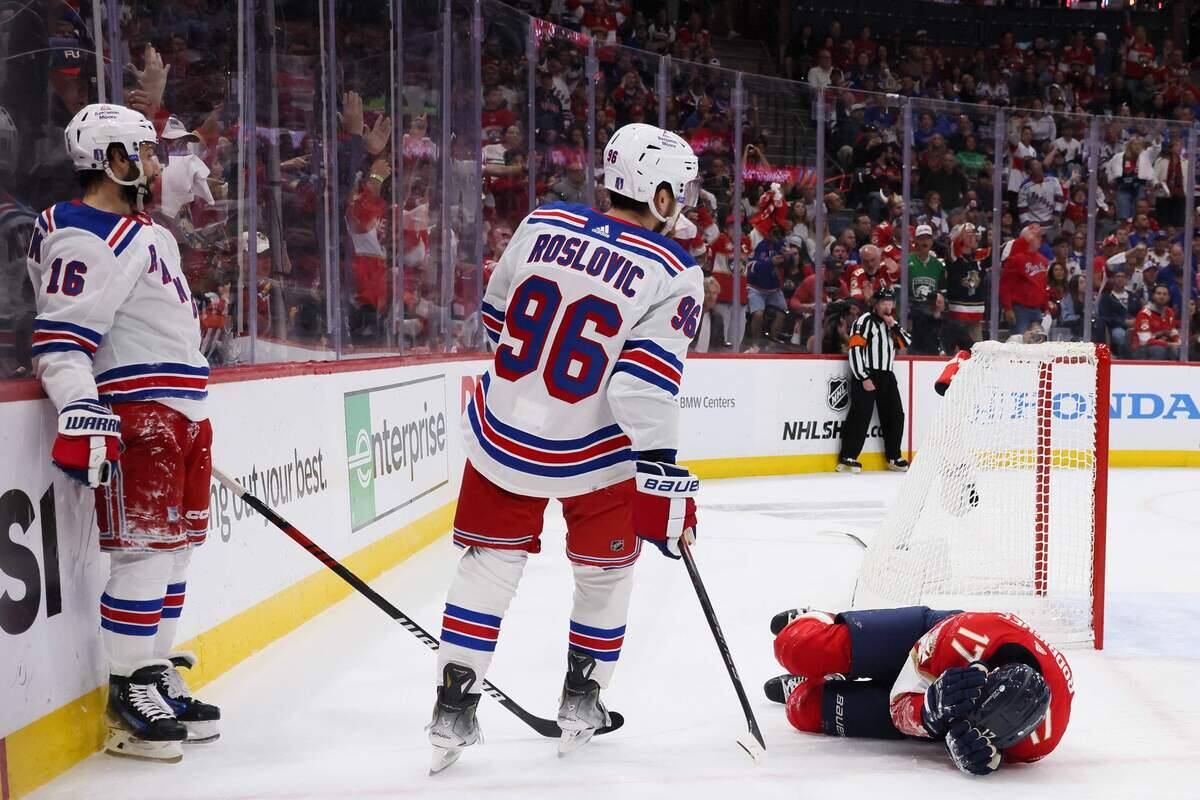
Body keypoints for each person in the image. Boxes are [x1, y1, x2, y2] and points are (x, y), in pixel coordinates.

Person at [429, 122, 703, 771]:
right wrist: (661, 472)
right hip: (596, 453)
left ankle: (453, 705)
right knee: (605, 573)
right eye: (681, 190)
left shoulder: (542, 222)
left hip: (503, 431)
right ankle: (584, 700)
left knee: (487, 568)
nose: (685, 203)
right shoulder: (673, 272)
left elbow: (495, 316)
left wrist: (533, 396)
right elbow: (640, 390)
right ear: (658, 191)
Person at [27, 104, 219, 762]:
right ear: (112, 160)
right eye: (143, 149)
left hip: (183, 411)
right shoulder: (81, 234)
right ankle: (127, 691)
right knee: (144, 555)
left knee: (178, 552)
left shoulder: (149, 233)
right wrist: (80, 408)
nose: (156, 159)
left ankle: (154, 674)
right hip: (139, 413)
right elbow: (59, 341)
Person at [762, 606, 1073, 776]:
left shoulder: (1039, 742)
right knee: (798, 648)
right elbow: (901, 696)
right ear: (987, 673)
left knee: (803, 710)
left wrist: (974, 753)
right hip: (927, 640)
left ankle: (813, 683)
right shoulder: (966, 636)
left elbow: (990, 750)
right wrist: (928, 705)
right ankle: (819, 620)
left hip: (938, 708)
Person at [838, 288, 910, 474]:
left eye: (890, 302)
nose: (887, 306)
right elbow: (854, 350)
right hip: (868, 373)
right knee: (860, 415)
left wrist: (893, 325)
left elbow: (905, 343)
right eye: (883, 302)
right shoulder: (863, 322)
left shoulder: (891, 325)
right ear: (875, 305)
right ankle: (848, 457)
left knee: (895, 415)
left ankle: (894, 457)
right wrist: (863, 376)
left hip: (887, 375)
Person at [1000, 224, 1049, 336]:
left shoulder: (1043, 260)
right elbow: (1006, 285)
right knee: (1019, 342)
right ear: (1027, 238)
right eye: (1036, 236)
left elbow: (1043, 285)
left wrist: (1046, 308)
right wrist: (1008, 308)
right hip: (1020, 309)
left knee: (1038, 343)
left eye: (1040, 237)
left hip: (1037, 310)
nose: (1040, 239)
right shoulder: (1015, 259)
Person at [1133, 284, 1181, 360]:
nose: (1161, 297)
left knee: (1181, 350)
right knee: (1159, 350)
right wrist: (1168, 344)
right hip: (1142, 348)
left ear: (1169, 297)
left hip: (1164, 344)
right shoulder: (1145, 314)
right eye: (1158, 293)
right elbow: (1145, 340)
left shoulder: (1170, 312)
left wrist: (1178, 342)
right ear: (1153, 296)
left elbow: (1173, 331)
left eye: (1165, 294)